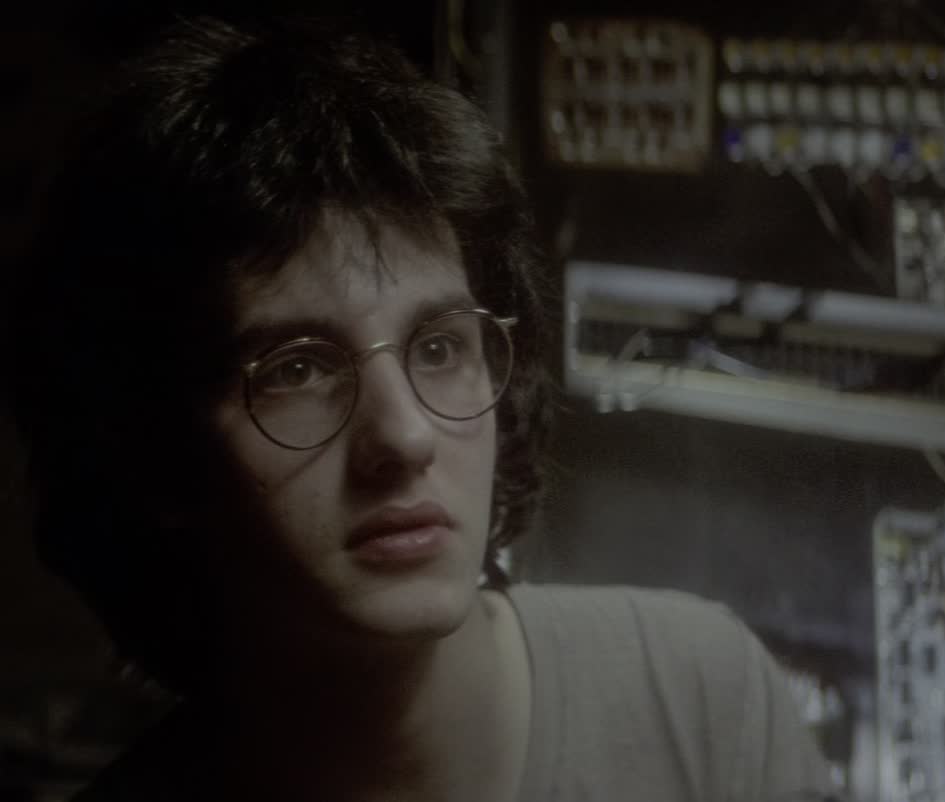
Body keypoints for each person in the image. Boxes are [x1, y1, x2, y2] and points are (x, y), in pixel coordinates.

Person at [8, 17, 829, 802]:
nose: (404, 437)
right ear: (157, 452)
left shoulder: (703, 700)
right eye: (298, 369)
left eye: (439, 348)